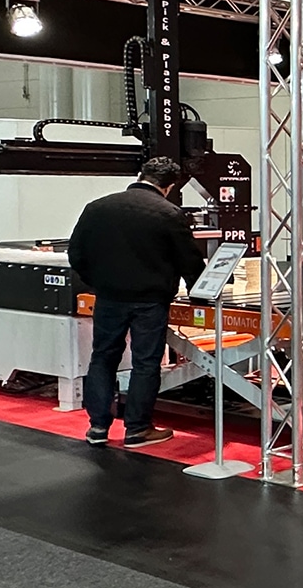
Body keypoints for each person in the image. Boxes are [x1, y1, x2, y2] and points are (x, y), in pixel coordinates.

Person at [66, 156, 207, 449]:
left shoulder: (98, 207)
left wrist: (98, 282)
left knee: (103, 358)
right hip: (150, 301)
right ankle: (137, 429)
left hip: (108, 298)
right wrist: (201, 293)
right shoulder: (169, 213)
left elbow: (76, 253)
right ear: (169, 186)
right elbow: (189, 261)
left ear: (140, 174)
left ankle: (97, 427)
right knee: (145, 363)